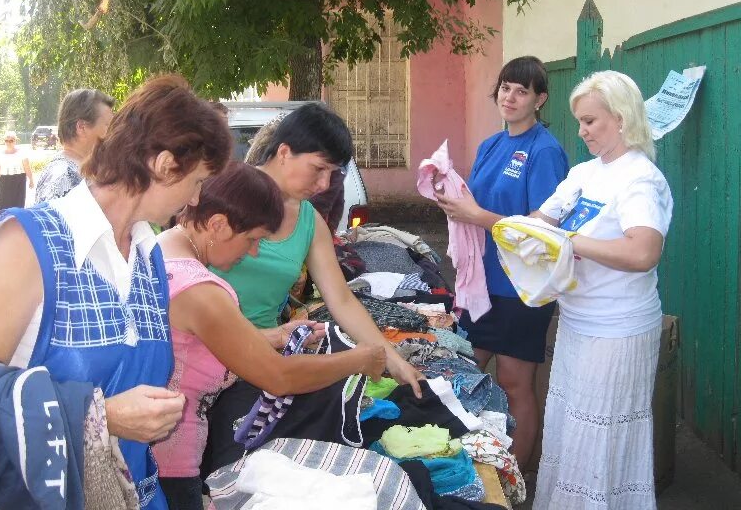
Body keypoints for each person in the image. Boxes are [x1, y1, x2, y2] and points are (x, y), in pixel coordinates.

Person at [0, 74, 232, 509]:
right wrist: (100, 417)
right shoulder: (29, 244)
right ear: (165, 163)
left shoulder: (149, 259)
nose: (195, 200)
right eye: (197, 181)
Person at [151, 161, 386, 510]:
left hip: (154, 450)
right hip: (170, 462)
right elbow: (280, 377)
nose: (254, 252)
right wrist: (362, 358)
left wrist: (278, 335)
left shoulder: (160, 249)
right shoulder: (202, 290)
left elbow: (191, 341)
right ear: (217, 225)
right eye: (252, 239)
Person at [531, 71, 673, 509]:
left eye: (591, 121)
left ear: (623, 117)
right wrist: (531, 229)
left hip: (618, 330)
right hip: (578, 321)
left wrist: (568, 242)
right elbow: (544, 217)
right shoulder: (584, 173)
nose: (582, 131)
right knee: (572, 432)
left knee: (602, 437)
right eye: (580, 121)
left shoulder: (639, 179)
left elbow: (643, 251)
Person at [213, 102, 424, 396]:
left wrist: (393, 359)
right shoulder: (223, 194)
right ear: (284, 152)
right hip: (207, 356)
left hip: (262, 363)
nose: (324, 184)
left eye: (333, 173)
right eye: (318, 169)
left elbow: (341, 300)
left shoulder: (309, 221)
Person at [433, 56, 569, 468]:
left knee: (514, 383)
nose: (510, 97)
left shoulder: (545, 152)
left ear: (540, 99)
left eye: (522, 91)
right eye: (506, 87)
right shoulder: (492, 145)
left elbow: (545, 228)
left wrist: (478, 216)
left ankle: (518, 476)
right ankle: (474, 466)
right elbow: (477, 206)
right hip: (480, 282)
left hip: (521, 287)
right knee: (461, 376)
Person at [35, 88, 115, 202]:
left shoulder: (79, 171)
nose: (112, 133)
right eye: (108, 125)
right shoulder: (62, 176)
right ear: (81, 127)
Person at [0, 130, 34, 210]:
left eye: (11, 141)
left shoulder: (22, 153)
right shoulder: (1, 154)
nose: (8, 143)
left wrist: (31, 180)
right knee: (3, 207)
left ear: (15, 141)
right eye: (6, 141)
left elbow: (27, 167)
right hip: (5, 181)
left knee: (17, 206)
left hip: (19, 180)